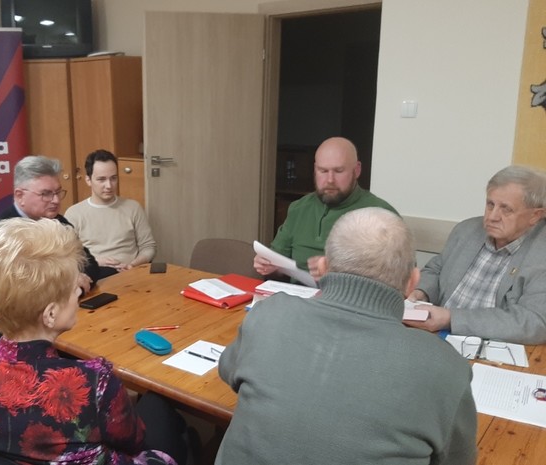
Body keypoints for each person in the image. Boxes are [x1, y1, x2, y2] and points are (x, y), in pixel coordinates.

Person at [217, 207, 477, 465]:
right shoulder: (446, 366)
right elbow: (457, 458)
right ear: (412, 282)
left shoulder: (269, 313)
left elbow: (228, 371)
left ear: (323, 268)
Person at [0, 217, 188, 465]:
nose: (80, 292)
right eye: (74, 289)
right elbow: (134, 442)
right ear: (50, 314)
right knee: (161, 407)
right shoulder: (95, 383)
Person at [0, 156, 102, 350]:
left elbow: (91, 265)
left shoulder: (59, 222)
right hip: (10, 336)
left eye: (58, 192)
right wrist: (66, 283)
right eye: (46, 194)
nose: (55, 200)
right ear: (20, 195)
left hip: (57, 320)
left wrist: (74, 286)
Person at [406, 165, 546, 344]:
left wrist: (451, 318)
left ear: (535, 216)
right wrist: (421, 292)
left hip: (492, 349)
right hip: (435, 337)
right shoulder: (467, 230)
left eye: (506, 209)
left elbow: (534, 323)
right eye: (490, 204)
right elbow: (436, 269)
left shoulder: (540, 254)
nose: (492, 217)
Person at [254, 136, 397, 280]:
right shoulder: (299, 208)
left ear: (357, 170)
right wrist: (268, 266)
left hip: (347, 293)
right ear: (315, 170)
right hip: (297, 292)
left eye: (339, 171)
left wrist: (338, 272)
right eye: (323, 171)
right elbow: (278, 267)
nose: (330, 180)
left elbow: (397, 278)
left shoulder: (382, 214)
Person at [65, 149, 156, 279]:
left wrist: (133, 265)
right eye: (101, 179)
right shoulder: (74, 213)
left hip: (131, 274)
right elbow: (67, 256)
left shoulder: (133, 208)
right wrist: (95, 262)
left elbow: (149, 247)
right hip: (96, 276)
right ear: (88, 180)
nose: (109, 185)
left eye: (113, 178)